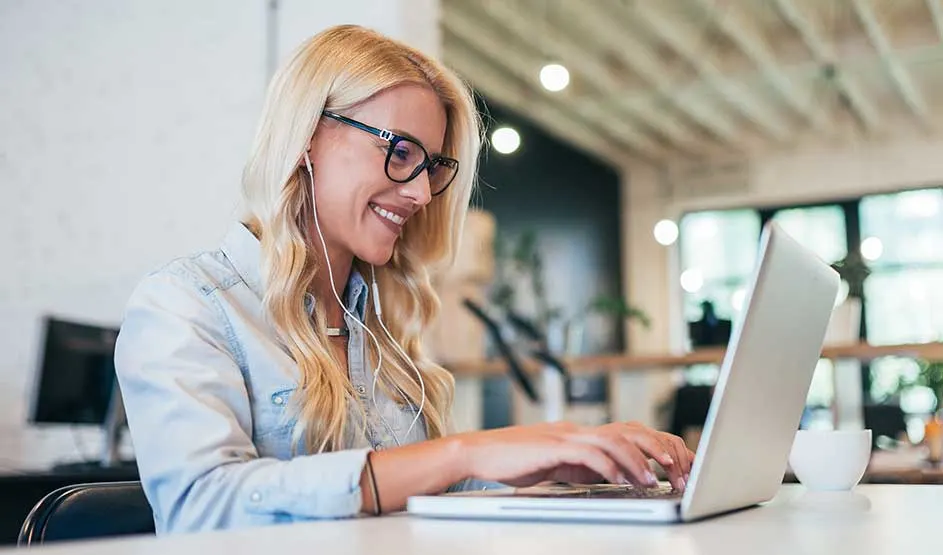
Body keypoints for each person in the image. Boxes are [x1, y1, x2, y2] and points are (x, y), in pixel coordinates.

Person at [113, 24, 694, 535]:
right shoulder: (186, 305)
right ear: (309, 136)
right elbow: (200, 510)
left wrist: (558, 466)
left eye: (433, 166)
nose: (419, 192)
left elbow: (426, 496)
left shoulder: (379, 327)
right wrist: (463, 452)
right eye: (398, 151)